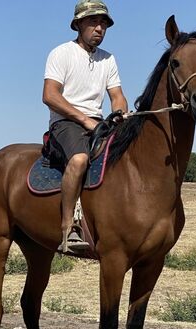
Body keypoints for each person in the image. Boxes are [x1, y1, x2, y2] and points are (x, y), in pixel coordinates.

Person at [42, 0, 128, 253]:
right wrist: (83, 119)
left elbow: (117, 95)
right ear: (78, 24)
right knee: (79, 159)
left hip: (98, 124)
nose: (99, 28)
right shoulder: (61, 53)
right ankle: (68, 228)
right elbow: (50, 95)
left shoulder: (108, 59)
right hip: (66, 122)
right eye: (93, 22)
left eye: (103, 23)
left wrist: (120, 113)